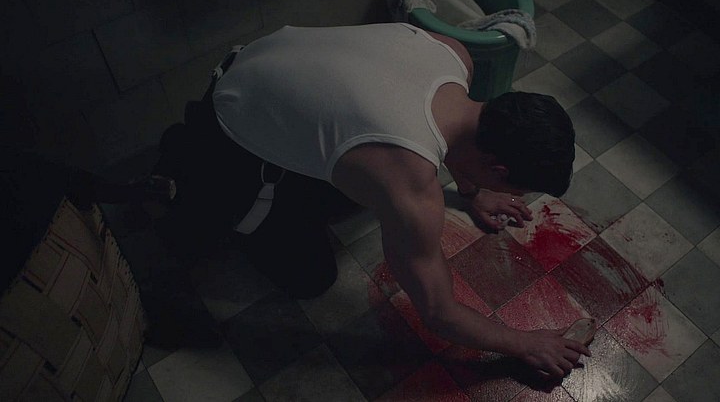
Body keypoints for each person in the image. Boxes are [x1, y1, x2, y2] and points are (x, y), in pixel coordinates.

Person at [153, 21, 587, 378]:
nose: (508, 195)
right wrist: (525, 343)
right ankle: (191, 176)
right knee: (311, 278)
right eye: (511, 188)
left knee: (357, 180)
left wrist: (473, 193)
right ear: (498, 168)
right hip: (228, 133)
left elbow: (462, 144)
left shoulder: (453, 55)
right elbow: (438, 312)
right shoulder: (409, 183)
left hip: (251, 63)